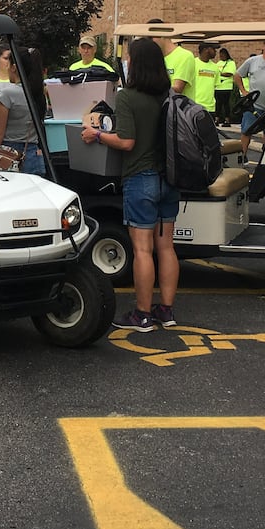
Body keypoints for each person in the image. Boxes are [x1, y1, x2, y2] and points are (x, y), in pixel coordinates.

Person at [81, 36, 179, 332]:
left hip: (141, 177)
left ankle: (142, 314)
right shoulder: (169, 94)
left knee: (141, 250)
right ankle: (166, 310)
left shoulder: (127, 97)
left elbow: (126, 141)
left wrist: (95, 135)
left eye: (127, 58)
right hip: (169, 179)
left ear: (135, 64)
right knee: (166, 248)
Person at [0, 46, 47, 175]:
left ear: (14, 67)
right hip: (34, 154)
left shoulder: (9, 93)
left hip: (10, 155)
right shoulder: (39, 94)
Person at [193, 42, 219, 118]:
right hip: (195, 105)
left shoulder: (215, 67)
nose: (216, 52)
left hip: (210, 108)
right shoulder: (192, 63)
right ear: (206, 50)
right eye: (213, 49)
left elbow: (215, 86)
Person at [214, 47, 236, 127]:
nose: (221, 56)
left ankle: (227, 120)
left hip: (226, 87)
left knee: (226, 104)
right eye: (220, 54)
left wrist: (220, 73)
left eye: (222, 54)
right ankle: (216, 120)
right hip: (218, 87)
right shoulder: (218, 63)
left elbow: (230, 73)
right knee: (218, 105)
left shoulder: (230, 63)